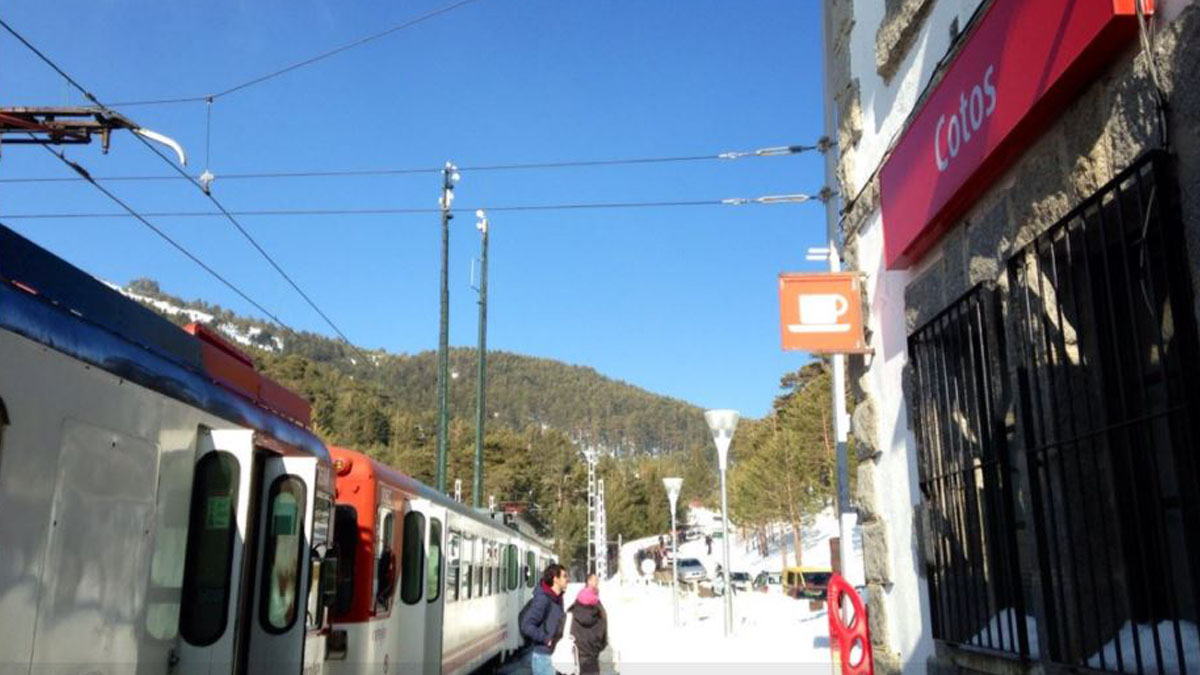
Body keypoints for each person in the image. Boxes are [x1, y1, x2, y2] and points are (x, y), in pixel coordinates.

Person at [520, 564, 569, 675]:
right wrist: (547, 639)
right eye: (564, 576)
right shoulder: (543, 600)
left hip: (554, 656)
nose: (568, 579)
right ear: (555, 579)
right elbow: (526, 625)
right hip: (544, 658)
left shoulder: (557, 598)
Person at [569, 582, 608, 675]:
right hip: (592, 663)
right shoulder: (601, 618)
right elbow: (603, 642)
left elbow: (558, 636)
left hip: (571, 663)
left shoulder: (569, 616)